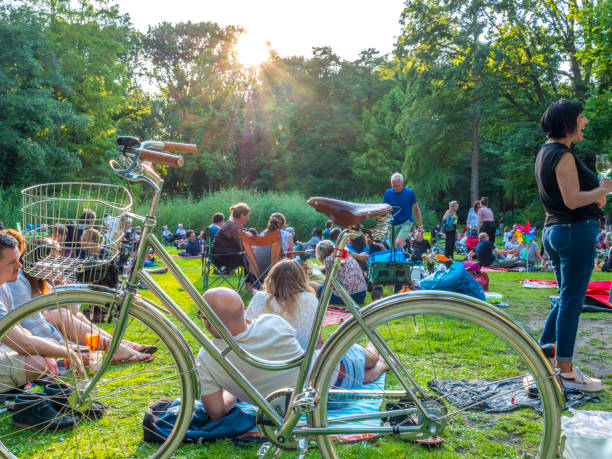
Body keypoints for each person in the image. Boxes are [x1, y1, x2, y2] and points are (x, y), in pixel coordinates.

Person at [197, 288, 388, 420]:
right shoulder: (271, 323)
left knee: (360, 374)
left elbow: (216, 412)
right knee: (360, 356)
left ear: (209, 321)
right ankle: (376, 349)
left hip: (323, 403)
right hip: (336, 377)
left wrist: (233, 390)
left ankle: (380, 362)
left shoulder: (207, 358)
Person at [535, 99, 611, 391]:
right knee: (572, 300)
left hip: (556, 230)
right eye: (581, 117)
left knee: (566, 297)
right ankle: (565, 371)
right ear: (568, 123)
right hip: (572, 231)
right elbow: (571, 200)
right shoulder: (562, 155)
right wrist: (601, 191)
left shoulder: (546, 152)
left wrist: (595, 194)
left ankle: (545, 353)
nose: (586, 121)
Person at [246, 260, 320, 349]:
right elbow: (318, 340)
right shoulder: (310, 298)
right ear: (301, 279)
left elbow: (247, 330)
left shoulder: (260, 298)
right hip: (301, 356)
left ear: (271, 278)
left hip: (265, 356)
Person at [311, 240, 367, 305]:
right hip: (361, 295)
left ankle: (312, 304)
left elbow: (329, 284)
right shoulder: (344, 254)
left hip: (348, 298)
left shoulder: (329, 259)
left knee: (311, 284)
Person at [382, 172, 423, 250]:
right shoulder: (388, 193)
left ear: (402, 183)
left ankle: (402, 260)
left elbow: (416, 210)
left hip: (406, 222)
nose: (395, 188)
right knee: (393, 250)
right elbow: (384, 210)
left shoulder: (410, 193)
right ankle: (403, 259)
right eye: (393, 186)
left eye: (397, 186)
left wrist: (420, 226)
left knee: (398, 243)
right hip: (393, 223)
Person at [211, 203, 250, 270]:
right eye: (247, 216)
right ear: (242, 215)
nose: (248, 219)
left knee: (249, 256)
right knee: (251, 257)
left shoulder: (230, 224)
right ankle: (252, 280)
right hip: (224, 258)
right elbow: (243, 246)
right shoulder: (233, 227)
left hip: (219, 257)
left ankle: (250, 280)